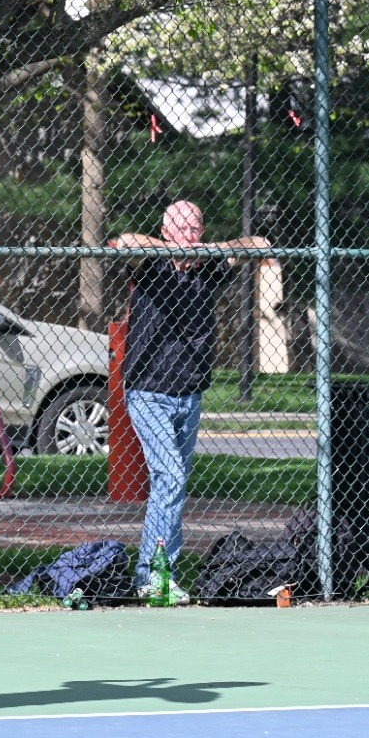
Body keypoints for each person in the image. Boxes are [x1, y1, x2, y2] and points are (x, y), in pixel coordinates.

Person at [108, 201, 269, 603]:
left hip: (189, 394)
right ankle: (153, 575)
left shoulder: (208, 268)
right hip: (147, 391)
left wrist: (209, 249)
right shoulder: (150, 266)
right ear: (165, 230)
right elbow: (123, 241)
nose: (188, 234)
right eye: (180, 227)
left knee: (170, 486)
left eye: (194, 227)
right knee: (172, 478)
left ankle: (156, 572)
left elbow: (257, 243)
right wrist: (172, 251)